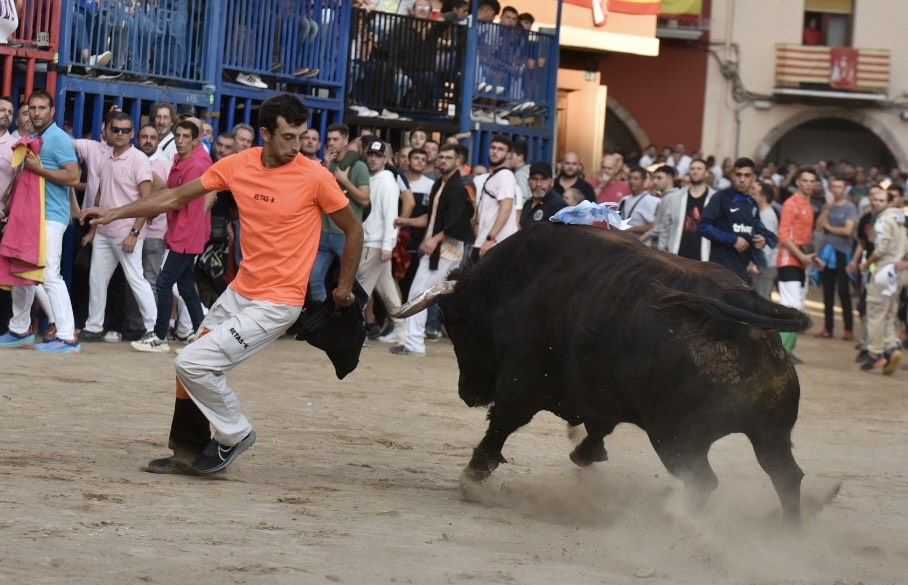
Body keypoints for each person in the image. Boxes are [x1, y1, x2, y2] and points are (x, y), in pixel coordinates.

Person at [81, 93, 364, 475]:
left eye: (301, 137)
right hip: (241, 291)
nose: (297, 147)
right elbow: (175, 198)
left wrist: (344, 288)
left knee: (191, 362)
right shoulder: (238, 165)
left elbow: (353, 228)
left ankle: (235, 433)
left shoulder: (315, 176)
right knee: (190, 369)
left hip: (277, 303)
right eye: (288, 138)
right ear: (265, 133)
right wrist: (115, 213)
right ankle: (186, 451)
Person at [0, 90, 81, 352]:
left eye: (41, 108)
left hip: (51, 216)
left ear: (52, 111)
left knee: (49, 275)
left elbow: (73, 178)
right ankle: (20, 328)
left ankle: (67, 335)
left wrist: (40, 170)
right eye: (32, 108)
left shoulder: (58, 138)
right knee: (20, 271)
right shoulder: (34, 137)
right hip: (29, 216)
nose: (36, 113)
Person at [131, 120, 212, 353]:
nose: (180, 140)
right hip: (182, 230)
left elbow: (178, 199)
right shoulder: (182, 160)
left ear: (196, 140)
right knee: (186, 286)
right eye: (178, 135)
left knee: (165, 282)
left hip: (187, 233)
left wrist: (152, 209)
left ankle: (159, 336)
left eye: (186, 136)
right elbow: (171, 192)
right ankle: (200, 337)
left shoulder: (197, 164)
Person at [77, 112, 158, 343]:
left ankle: (153, 328)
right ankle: (94, 327)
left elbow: (147, 200)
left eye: (125, 130)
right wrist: (93, 229)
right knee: (97, 279)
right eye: (116, 130)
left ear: (132, 133)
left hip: (126, 232)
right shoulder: (106, 158)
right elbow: (101, 193)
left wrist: (134, 233)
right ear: (108, 132)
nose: (120, 134)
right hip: (104, 231)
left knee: (136, 279)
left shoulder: (139, 159)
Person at [392, 143, 472, 356]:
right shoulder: (439, 185)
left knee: (421, 293)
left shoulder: (457, 189)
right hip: (436, 249)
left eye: (448, 157)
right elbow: (432, 218)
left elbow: (458, 222)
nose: (443, 161)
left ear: (457, 161)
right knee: (419, 292)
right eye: (441, 157)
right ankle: (412, 342)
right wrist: (405, 221)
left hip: (447, 251)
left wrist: (434, 240)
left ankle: (414, 344)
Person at [309, 123, 370, 303]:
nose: (331, 143)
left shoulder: (358, 166)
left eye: (335, 139)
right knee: (315, 280)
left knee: (351, 284)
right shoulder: (328, 164)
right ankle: (322, 322)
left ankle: (353, 323)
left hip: (345, 235)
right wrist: (326, 165)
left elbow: (365, 199)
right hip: (324, 232)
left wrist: (344, 180)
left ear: (345, 141)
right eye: (328, 140)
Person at [356, 138, 406, 344]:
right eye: (370, 155)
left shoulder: (387, 181)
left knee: (359, 289)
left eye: (377, 156)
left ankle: (353, 333)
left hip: (375, 244)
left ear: (385, 159)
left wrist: (387, 245)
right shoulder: (373, 178)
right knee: (387, 290)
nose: (373, 159)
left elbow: (391, 215)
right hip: (373, 243)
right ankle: (403, 329)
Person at [698, 157, 777, 285]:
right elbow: (703, 226)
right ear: (732, 176)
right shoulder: (721, 198)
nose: (742, 179)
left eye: (747, 175)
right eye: (738, 175)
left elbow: (754, 232)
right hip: (721, 270)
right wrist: (732, 239)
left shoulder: (752, 203)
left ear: (754, 178)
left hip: (743, 272)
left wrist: (761, 240)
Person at [858, 186, 905, 373]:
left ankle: (875, 354)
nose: (876, 203)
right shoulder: (901, 219)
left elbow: (881, 249)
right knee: (889, 312)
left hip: (883, 271)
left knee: (876, 312)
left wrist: (866, 263)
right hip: (897, 272)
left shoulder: (883, 220)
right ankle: (891, 347)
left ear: (889, 202)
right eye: (874, 199)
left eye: (881, 200)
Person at [776, 168, 820, 362]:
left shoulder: (809, 207)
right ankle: (782, 350)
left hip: (802, 262)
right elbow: (784, 235)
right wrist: (802, 256)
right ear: (798, 182)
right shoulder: (791, 204)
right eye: (805, 180)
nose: (808, 184)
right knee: (791, 306)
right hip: (788, 261)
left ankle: (788, 349)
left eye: (812, 181)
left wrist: (811, 257)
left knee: (798, 306)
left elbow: (804, 238)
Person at [815, 176, 858, 339]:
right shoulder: (829, 206)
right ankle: (828, 328)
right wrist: (827, 208)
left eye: (840, 186)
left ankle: (848, 329)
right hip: (827, 252)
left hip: (842, 252)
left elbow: (848, 231)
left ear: (845, 188)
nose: (836, 190)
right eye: (834, 186)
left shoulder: (850, 208)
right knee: (827, 292)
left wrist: (830, 227)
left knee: (843, 291)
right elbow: (819, 226)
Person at [654, 159, 714, 259]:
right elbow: (665, 226)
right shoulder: (675, 197)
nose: (695, 171)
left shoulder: (715, 198)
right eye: (692, 168)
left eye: (699, 169)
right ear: (689, 172)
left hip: (704, 257)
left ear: (706, 173)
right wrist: (662, 251)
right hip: (677, 255)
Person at [473, 135, 518, 260]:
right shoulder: (495, 175)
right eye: (493, 148)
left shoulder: (505, 175)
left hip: (494, 244)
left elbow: (506, 208)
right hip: (484, 241)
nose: (495, 152)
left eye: (500, 149)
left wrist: (490, 238)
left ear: (508, 154)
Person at [751, 182, 779, 301]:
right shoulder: (762, 213)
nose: (752, 196)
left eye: (755, 194)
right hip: (764, 265)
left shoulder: (767, 215)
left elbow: (767, 243)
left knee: (761, 301)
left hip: (765, 266)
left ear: (763, 197)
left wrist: (757, 264)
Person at [520, 162, 566, 228]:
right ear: (528, 181)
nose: (538, 184)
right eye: (534, 179)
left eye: (543, 179)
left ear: (552, 182)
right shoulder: (528, 203)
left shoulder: (558, 205)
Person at [618, 166, 660, 236]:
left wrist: (629, 229)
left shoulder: (651, 201)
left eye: (636, 179)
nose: (632, 181)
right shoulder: (624, 199)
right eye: (630, 178)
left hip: (639, 243)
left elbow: (654, 226)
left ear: (643, 181)